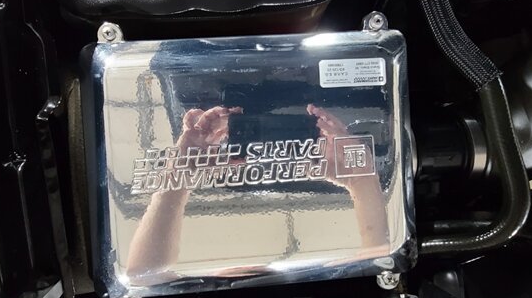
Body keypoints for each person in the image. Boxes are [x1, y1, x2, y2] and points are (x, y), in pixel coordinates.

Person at [125, 104, 389, 281]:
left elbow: (143, 278)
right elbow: (379, 266)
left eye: (242, 274)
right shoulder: (333, 287)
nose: (248, 273)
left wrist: (178, 175)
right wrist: (361, 180)